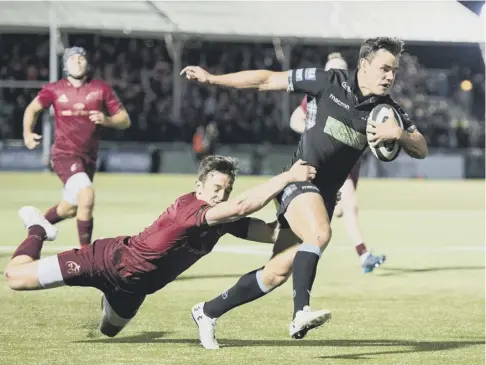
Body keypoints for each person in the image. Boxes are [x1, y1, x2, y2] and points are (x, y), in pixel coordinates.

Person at [181, 37, 428, 347]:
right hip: (298, 179)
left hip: (323, 195)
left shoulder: (388, 110)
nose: (390, 76)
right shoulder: (327, 81)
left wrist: (400, 134)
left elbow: (421, 148)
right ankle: (300, 313)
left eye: (394, 70)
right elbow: (266, 80)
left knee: (276, 273)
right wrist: (213, 78)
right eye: (384, 68)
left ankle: (207, 311)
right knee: (320, 234)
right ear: (363, 65)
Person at [4, 155, 316, 342]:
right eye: (216, 188)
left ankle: (107, 297)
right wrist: (288, 176)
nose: (221, 195)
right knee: (15, 278)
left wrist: (304, 206)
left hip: (133, 288)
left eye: (226, 190)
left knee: (110, 331)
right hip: (105, 262)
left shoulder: (219, 220)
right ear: (199, 187)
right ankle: (38, 227)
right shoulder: (191, 208)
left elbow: (273, 233)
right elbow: (242, 206)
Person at [22, 46, 131, 248]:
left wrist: (107, 120)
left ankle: (36, 224)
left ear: (87, 63)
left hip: (88, 159)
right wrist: (28, 134)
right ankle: (86, 255)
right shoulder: (54, 89)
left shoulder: (101, 89)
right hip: (64, 155)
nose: (78, 62)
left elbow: (124, 120)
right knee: (87, 196)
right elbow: (32, 109)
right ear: (66, 64)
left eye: (81, 59)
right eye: (73, 59)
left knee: (70, 209)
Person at [289, 52, 385, 273]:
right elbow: (295, 119)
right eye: (332, 70)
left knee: (338, 209)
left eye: (340, 69)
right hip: (331, 163)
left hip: (350, 162)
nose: (336, 74)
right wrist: (313, 132)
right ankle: (364, 254)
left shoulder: (360, 96)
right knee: (350, 205)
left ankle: (296, 251)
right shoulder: (320, 93)